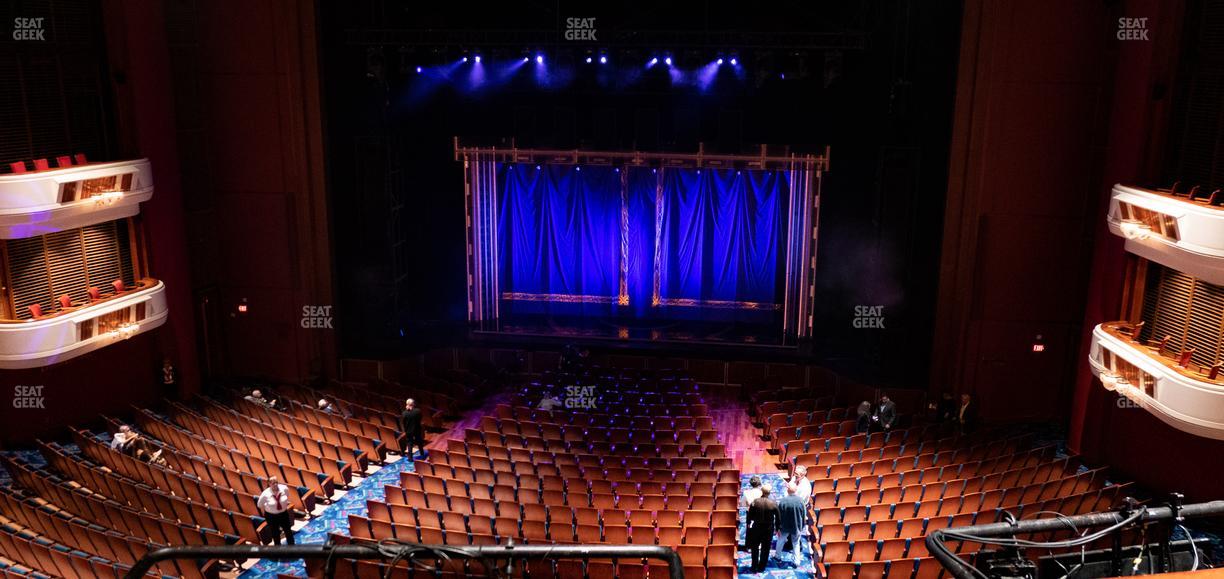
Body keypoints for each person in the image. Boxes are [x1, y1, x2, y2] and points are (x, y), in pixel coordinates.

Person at [746, 486, 780, 573]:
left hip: (756, 528)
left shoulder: (755, 502)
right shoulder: (773, 503)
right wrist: (777, 527)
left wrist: (749, 522)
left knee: (755, 547)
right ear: (769, 492)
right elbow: (778, 517)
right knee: (766, 548)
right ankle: (761, 567)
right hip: (768, 529)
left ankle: (754, 566)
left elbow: (750, 514)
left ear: (761, 491)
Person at [257, 476, 295, 545]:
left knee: (288, 531)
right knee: (275, 534)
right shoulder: (265, 494)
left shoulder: (284, 488)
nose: (275, 484)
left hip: (283, 514)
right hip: (272, 516)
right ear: (269, 484)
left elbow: (287, 495)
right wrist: (269, 508)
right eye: (273, 483)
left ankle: (292, 547)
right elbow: (259, 505)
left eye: (276, 482)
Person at [775, 484, 807, 566]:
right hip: (796, 526)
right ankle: (797, 561)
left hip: (784, 526)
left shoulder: (783, 501)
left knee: (781, 541)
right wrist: (802, 526)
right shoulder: (801, 501)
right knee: (796, 543)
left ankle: (777, 556)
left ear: (788, 490)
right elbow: (804, 515)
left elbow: (779, 515)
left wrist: (777, 526)